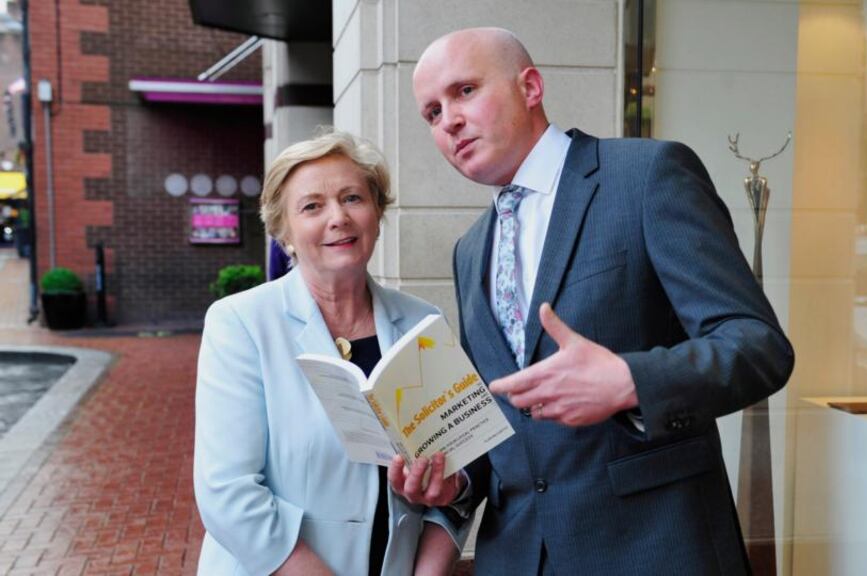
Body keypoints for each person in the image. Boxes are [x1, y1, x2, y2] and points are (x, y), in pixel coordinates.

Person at [395, 27, 796, 575]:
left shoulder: (647, 176)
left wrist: (629, 382)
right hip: (519, 557)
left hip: (655, 549)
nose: (449, 121)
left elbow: (758, 346)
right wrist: (457, 480)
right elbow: (508, 425)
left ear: (530, 87)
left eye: (464, 91)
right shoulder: (471, 251)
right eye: (432, 113)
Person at [193, 130, 467, 575]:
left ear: (377, 212)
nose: (337, 218)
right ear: (283, 230)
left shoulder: (422, 324)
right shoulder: (241, 323)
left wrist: (428, 569)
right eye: (312, 206)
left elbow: (459, 478)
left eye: (353, 198)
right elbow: (227, 492)